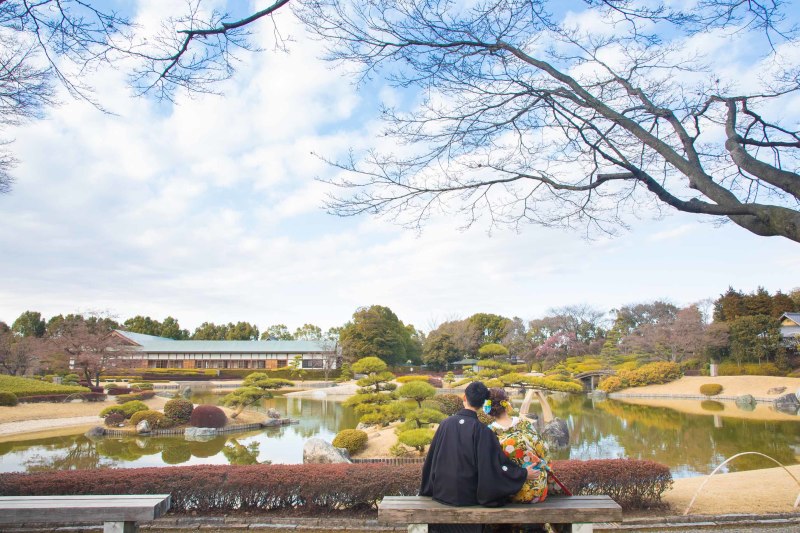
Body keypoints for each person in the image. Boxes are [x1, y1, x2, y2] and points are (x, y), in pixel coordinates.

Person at [420, 381, 533, 520]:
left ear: (464, 398)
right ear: (483, 404)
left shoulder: (445, 424)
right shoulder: (483, 431)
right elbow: (495, 467)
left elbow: (432, 459)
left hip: (442, 493)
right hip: (468, 497)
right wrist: (523, 473)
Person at [486, 387, 553, 504]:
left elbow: (491, 466)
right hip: (537, 488)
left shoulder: (489, 432)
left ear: (488, 409)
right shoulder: (524, 423)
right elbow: (544, 450)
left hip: (511, 490)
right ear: (507, 403)